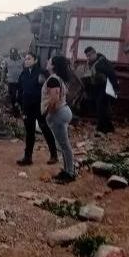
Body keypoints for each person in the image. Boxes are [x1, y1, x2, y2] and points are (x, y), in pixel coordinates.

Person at [16, 52, 58, 166]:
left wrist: (48, 105)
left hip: (39, 107)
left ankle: (54, 155)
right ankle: (27, 157)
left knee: (45, 129)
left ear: (35, 60)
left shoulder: (42, 73)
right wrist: (19, 104)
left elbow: (51, 89)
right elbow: (20, 90)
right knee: (29, 132)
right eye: (25, 59)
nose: (26, 61)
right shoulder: (23, 74)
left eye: (29, 59)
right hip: (27, 107)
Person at [43, 56, 76, 184]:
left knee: (64, 145)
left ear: (53, 66)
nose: (47, 62)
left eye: (49, 61)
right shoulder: (58, 78)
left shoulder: (53, 80)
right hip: (63, 111)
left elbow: (54, 100)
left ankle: (70, 173)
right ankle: (67, 170)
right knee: (63, 145)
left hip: (59, 113)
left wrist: (48, 112)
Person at [84, 46, 119, 136]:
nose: (88, 58)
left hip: (106, 87)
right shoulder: (93, 63)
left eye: (89, 55)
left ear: (94, 53)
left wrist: (115, 87)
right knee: (101, 107)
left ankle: (103, 127)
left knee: (101, 107)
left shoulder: (102, 63)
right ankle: (107, 127)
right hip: (98, 87)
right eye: (87, 56)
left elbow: (111, 74)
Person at [1, 48, 24, 115]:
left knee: (20, 96)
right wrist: (2, 81)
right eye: (11, 54)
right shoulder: (6, 60)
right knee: (12, 96)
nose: (13, 55)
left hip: (20, 82)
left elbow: (25, 70)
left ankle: (21, 109)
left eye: (14, 54)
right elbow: (3, 71)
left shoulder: (22, 60)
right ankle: (14, 110)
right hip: (11, 82)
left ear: (17, 54)